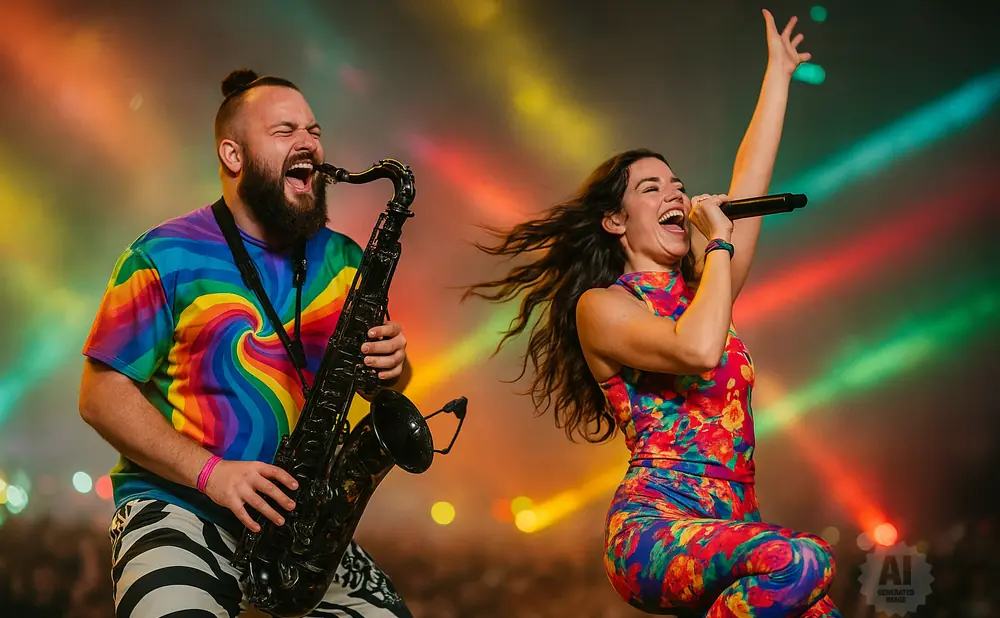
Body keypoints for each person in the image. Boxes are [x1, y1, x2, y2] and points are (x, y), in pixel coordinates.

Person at [465, 10, 840, 617]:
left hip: (737, 526)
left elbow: (749, 180)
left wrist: (778, 75)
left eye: (677, 183)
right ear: (615, 221)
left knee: (819, 604)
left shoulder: (704, 290)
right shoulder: (603, 307)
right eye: (651, 187)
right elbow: (696, 351)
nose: (675, 193)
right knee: (803, 561)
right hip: (656, 528)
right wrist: (718, 244)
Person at [79, 69, 414, 617]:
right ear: (233, 155)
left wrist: (393, 367)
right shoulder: (161, 255)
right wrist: (213, 474)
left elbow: (380, 385)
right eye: (285, 131)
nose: (309, 143)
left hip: (297, 526)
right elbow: (99, 396)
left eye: (314, 129)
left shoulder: (350, 262)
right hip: (177, 508)